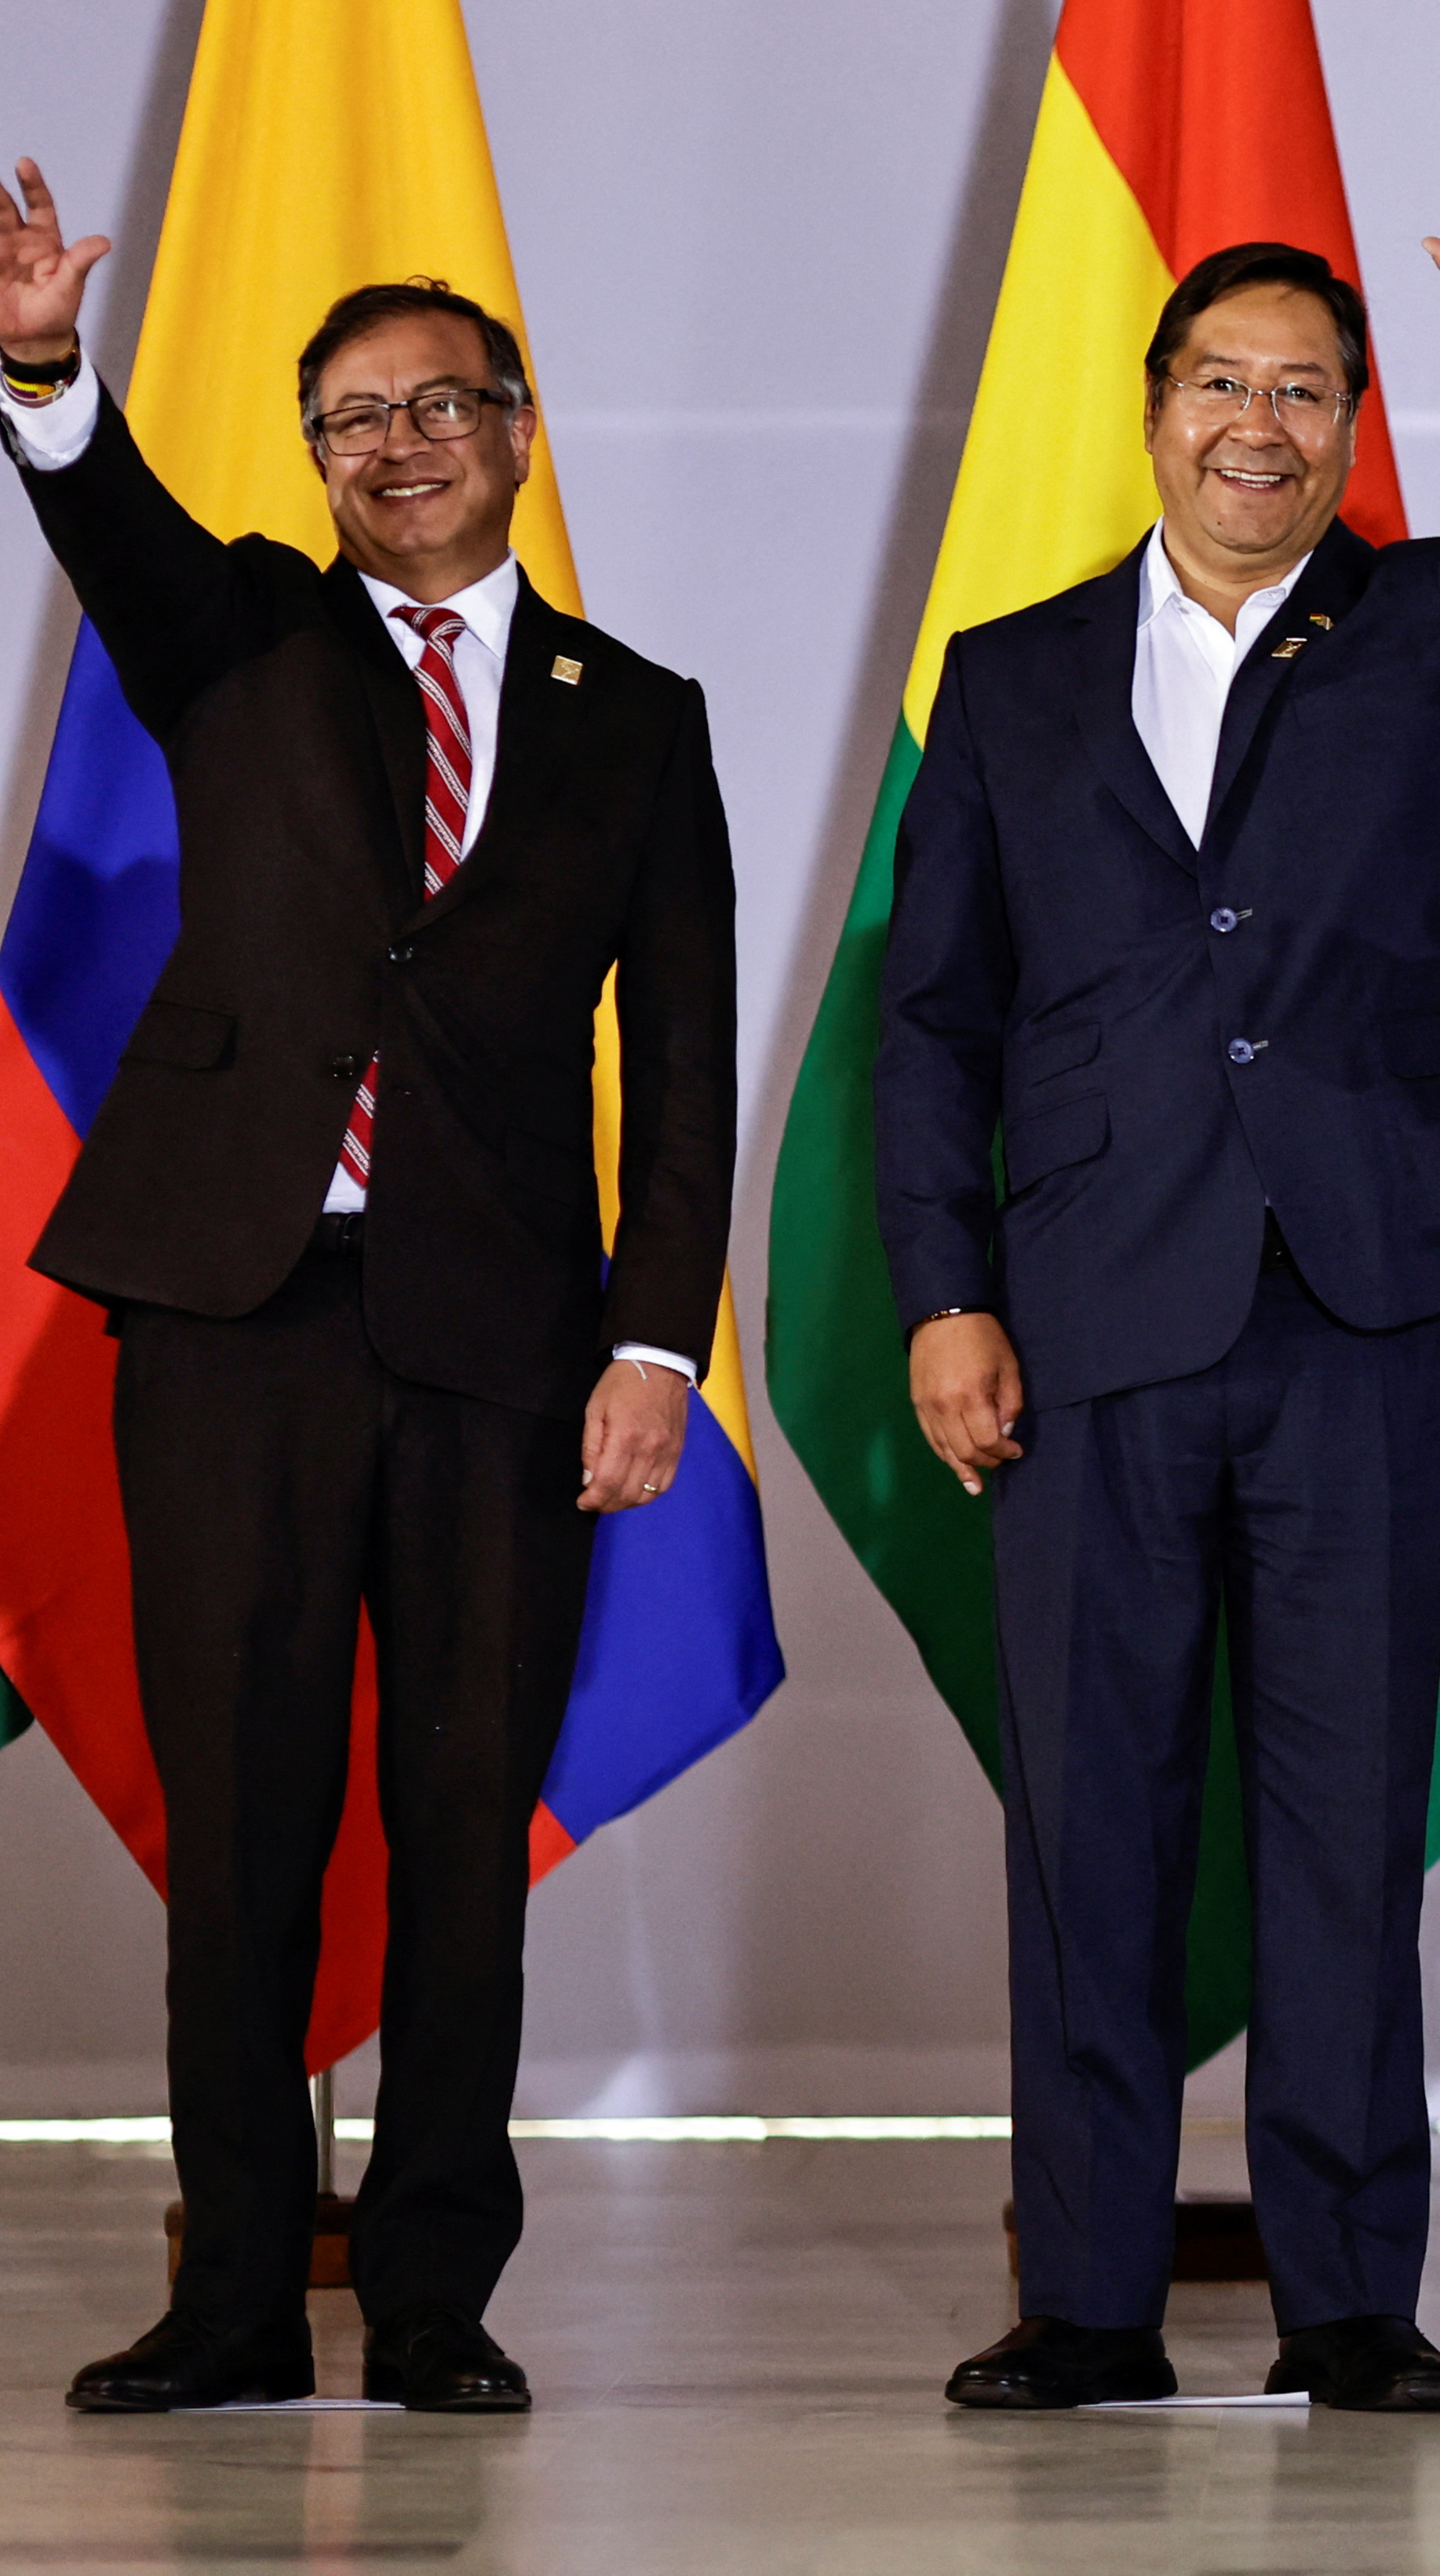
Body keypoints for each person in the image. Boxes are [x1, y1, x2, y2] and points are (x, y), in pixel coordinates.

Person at [873, 138, 1440, 2414]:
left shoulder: (1421, 627)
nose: (1262, 424)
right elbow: (937, 1020)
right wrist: (944, 1288)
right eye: (1222, 381)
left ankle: (1348, 2298)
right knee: (1088, 1822)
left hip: (1355, 1304)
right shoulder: (1011, 679)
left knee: (1338, 1818)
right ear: (1153, 410)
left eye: (1308, 389)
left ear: (1347, 423)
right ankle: (1090, 2298)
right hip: (1092, 1312)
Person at [0, 162, 735, 2415]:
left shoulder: (638, 711)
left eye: (439, 405)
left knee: (455, 1818)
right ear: (313, 461)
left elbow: (684, 1060)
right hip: (232, 1312)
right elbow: (106, 516)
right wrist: (43, 366)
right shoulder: (239, 633)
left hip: (500, 1344)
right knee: (240, 1824)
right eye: (350, 419)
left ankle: (431, 2290)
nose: (395, 444)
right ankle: (235, 2288)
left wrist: (649, 1342)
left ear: (519, 433)